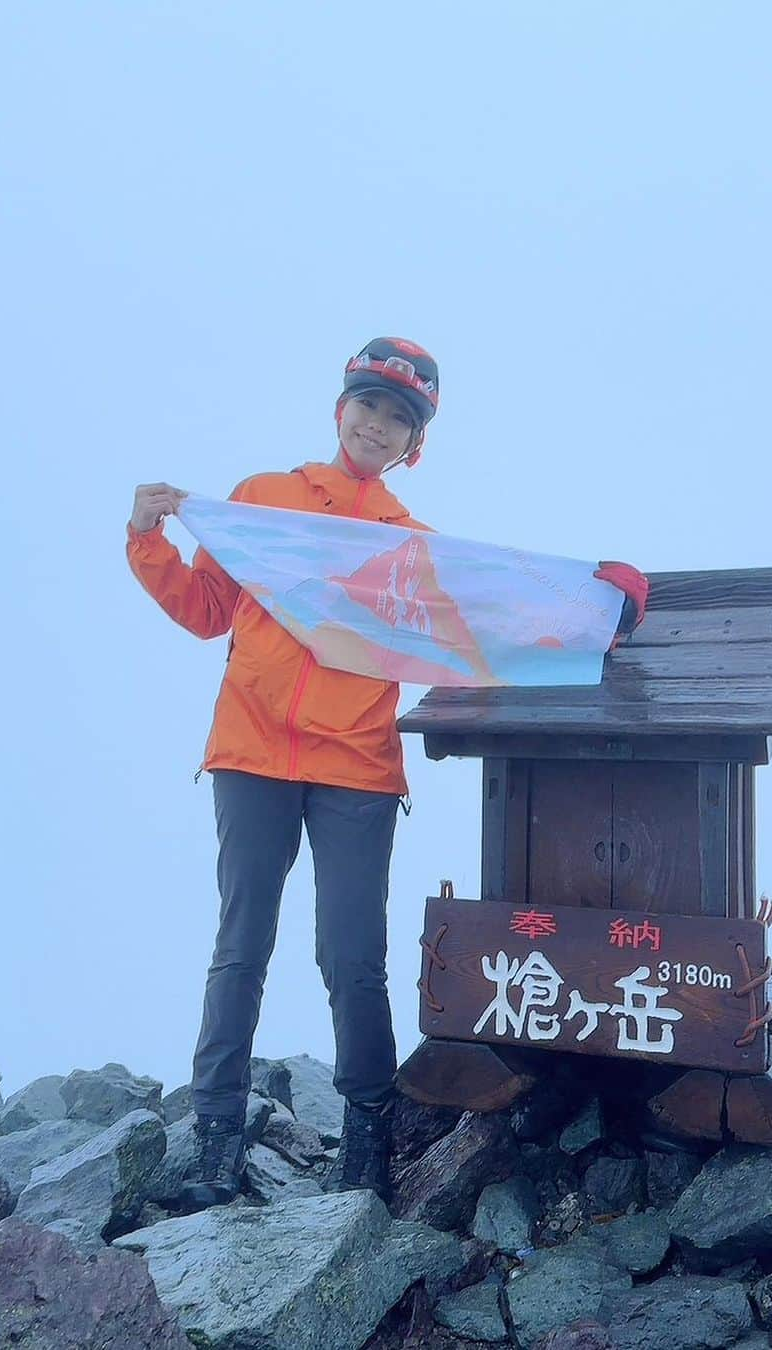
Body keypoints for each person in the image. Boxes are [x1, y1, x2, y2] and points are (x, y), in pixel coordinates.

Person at [126, 337, 648, 1209]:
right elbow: (207, 611)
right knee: (241, 944)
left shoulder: (415, 550)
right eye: (367, 405)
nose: (377, 425)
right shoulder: (265, 505)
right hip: (250, 752)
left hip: (358, 766)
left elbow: (494, 622)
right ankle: (214, 1136)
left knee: (353, 955)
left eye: (399, 418)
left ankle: (365, 1137)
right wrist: (149, 538)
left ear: (415, 445)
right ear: (340, 411)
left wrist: (594, 605)